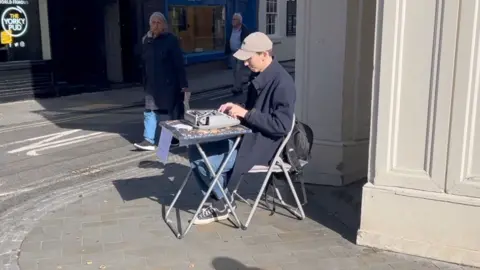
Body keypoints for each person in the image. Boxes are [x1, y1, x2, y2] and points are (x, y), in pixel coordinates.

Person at [188, 32, 296, 225]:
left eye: (249, 58)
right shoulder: (261, 74)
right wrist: (235, 108)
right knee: (195, 149)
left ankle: (221, 203)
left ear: (264, 54)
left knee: (204, 161)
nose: (245, 63)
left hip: (262, 144)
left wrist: (245, 114)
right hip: (247, 135)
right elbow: (252, 109)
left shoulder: (283, 83)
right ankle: (222, 199)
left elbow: (281, 126)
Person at [134, 12, 189, 151]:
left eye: (159, 22)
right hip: (151, 84)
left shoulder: (171, 40)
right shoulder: (146, 40)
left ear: (164, 25)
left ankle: (170, 141)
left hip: (168, 84)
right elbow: (143, 61)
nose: (156, 25)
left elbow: (179, 64)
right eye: (153, 22)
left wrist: (184, 85)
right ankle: (148, 140)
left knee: (167, 113)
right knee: (149, 111)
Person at [224, 13, 251, 95]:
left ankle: (237, 87)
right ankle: (238, 86)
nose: (233, 21)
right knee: (234, 71)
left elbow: (247, 42)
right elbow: (228, 39)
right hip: (232, 52)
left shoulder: (244, 30)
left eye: (235, 19)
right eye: (233, 19)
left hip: (240, 52)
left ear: (239, 21)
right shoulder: (230, 29)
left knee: (239, 70)